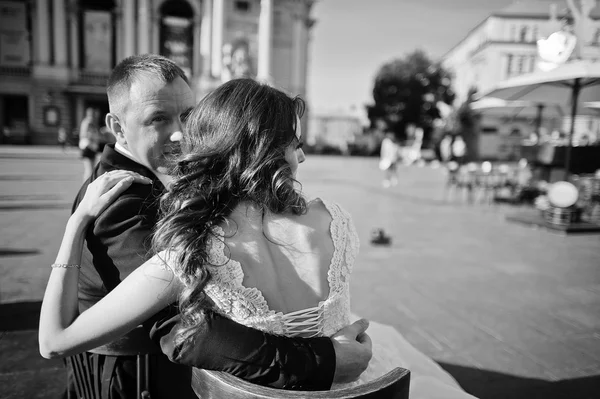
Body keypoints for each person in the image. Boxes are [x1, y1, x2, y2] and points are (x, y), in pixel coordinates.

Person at [40, 77, 477, 399]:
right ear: (263, 150)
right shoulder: (337, 222)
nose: (302, 154)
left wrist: (75, 225)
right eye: (292, 143)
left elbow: (53, 341)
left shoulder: (186, 253)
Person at [53, 55, 371, 399]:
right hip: (133, 377)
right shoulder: (120, 199)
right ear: (117, 127)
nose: (180, 132)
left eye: (188, 116)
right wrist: (325, 360)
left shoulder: (191, 219)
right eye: (157, 118)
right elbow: (185, 328)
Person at [79, 107, 101, 181]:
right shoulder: (87, 122)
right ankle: (86, 186)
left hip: (91, 147)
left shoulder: (91, 123)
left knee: (91, 169)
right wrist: (93, 137)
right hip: (88, 147)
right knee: (89, 169)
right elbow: (84, 134)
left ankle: (88, 185)